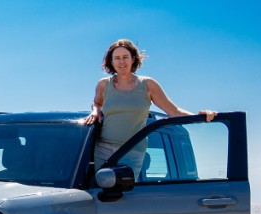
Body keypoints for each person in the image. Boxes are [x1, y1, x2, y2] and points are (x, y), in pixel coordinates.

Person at [82, 39, 215, 167]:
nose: (121, 61)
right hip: (104, 148)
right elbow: (97, 103)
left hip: (133, 150)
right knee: (102, 183)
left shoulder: (148, 84)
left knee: (123, 184)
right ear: (111, 61)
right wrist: (95, 111)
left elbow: (174, 111)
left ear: (133, 59)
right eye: (117, 58)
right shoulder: (104, 84)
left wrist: (201, 117)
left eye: (125, 57)